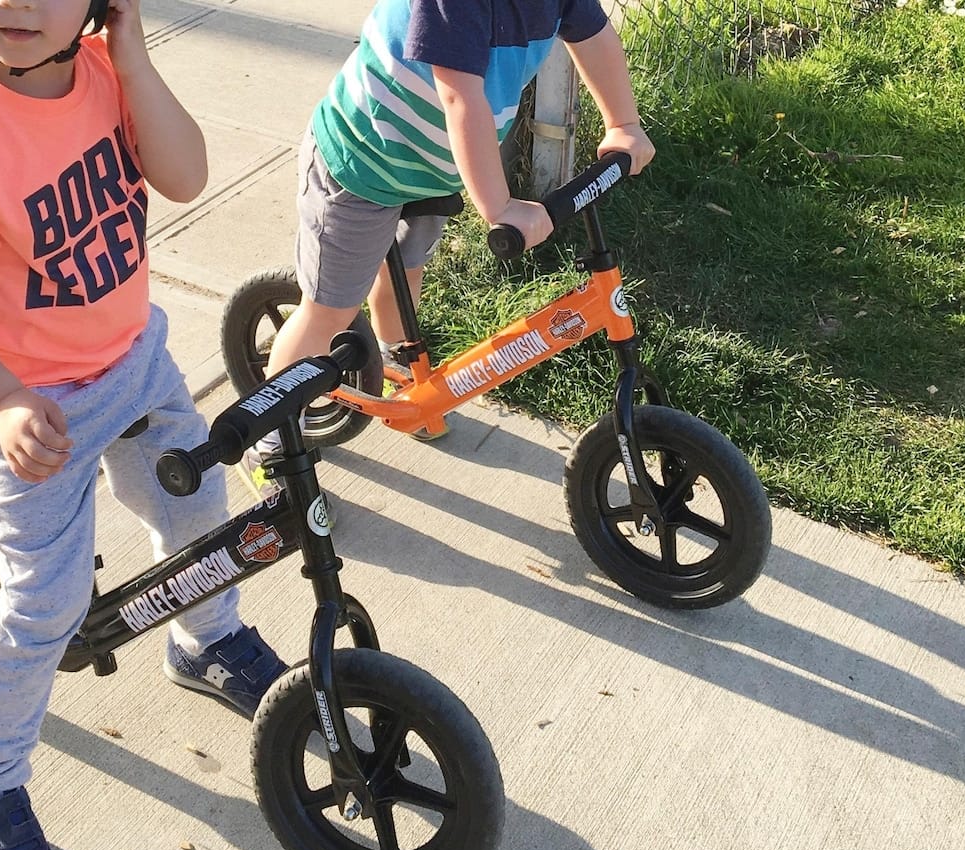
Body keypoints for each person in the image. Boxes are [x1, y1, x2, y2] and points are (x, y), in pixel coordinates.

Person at [0, 1, 287, 850]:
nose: (22, 5)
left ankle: (204, 638)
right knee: (49, 599)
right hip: (35, 406)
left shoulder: (109, 77)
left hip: (135, 357)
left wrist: (134, 53)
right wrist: (2, 399)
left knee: (197, 506)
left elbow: (185, 176)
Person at [244, 0, 658, 493]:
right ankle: (267, 444)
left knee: (407, 271)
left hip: (431, 169)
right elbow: (459, 96)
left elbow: (594, 37)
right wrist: (499, 207)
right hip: (361, 164)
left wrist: (623, 124)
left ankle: (395, 364)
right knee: (328, 313)